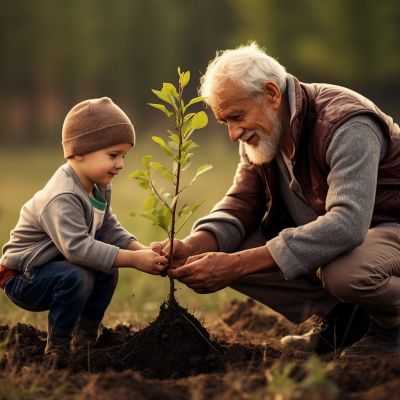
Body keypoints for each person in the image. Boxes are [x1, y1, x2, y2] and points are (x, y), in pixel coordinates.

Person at [164, 42, 400, 356]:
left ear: (272, 94)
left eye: (237, 117)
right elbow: (243, 201)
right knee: (227, 242)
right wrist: (193, 246)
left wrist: (236, 265)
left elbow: (347, 225)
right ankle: (345, 323)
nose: (233, 133)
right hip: (351, 245)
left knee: (347, 274)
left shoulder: (346, 124)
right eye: (226, 123)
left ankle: (391, 327)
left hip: (388, 230)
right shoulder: (264, 133)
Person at [0, 97, 168, 364]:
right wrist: (134, 261)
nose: (121, 164)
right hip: (23, 276)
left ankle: (85, 336)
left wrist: (140, 249)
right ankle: (58, 346)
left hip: (54, 267)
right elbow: (77, 247)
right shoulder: (63, 195)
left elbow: (107, 228)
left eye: (123, 156)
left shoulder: (97, 185)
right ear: (79, 152)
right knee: (78, 276)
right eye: (113, 155)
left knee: (106, 269)